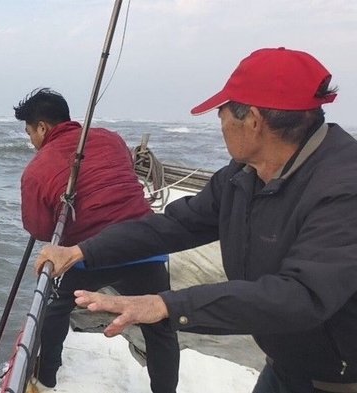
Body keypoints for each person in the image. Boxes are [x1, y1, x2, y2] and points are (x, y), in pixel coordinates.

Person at [35, 47, 357, 393]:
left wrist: (164, 305)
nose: (218, 120)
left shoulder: (344, 187)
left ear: (252, 119)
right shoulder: (244, 176)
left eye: (222, 111)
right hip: (283, 364)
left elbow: (300, 295)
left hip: (337, 380)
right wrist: (82, 251)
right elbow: (174, 225)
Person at [15, 88, 179, 393]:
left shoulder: (36, 170)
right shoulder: (112, 138)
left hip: (91, 252)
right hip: (147, 244)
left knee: (56, 305)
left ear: (42, 127)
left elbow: (39, 229)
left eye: (30, 133)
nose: (31, 141)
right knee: (160, 326)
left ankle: (46, 378)